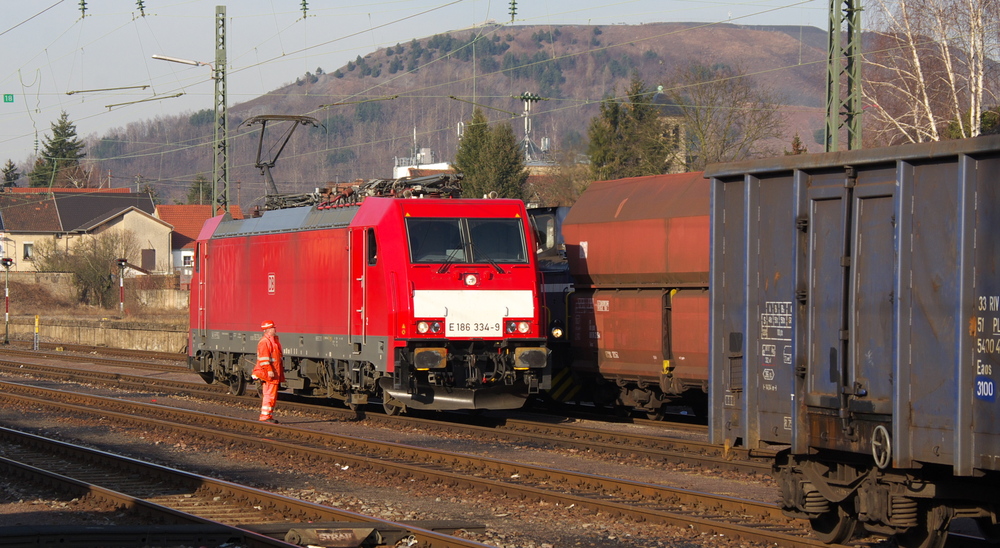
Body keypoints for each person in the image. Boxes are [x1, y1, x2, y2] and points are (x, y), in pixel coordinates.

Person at [252, 319, 285, 423]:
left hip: (274, 372)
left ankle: (268, 415)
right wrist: (269, 370)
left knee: (271, 395)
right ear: (268, 330)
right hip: (269, 373)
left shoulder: (272, 341)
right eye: (272, 328)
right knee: (269, 395)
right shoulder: (265, 342)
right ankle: (265, 416)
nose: (274, 329)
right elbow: (264, 359)